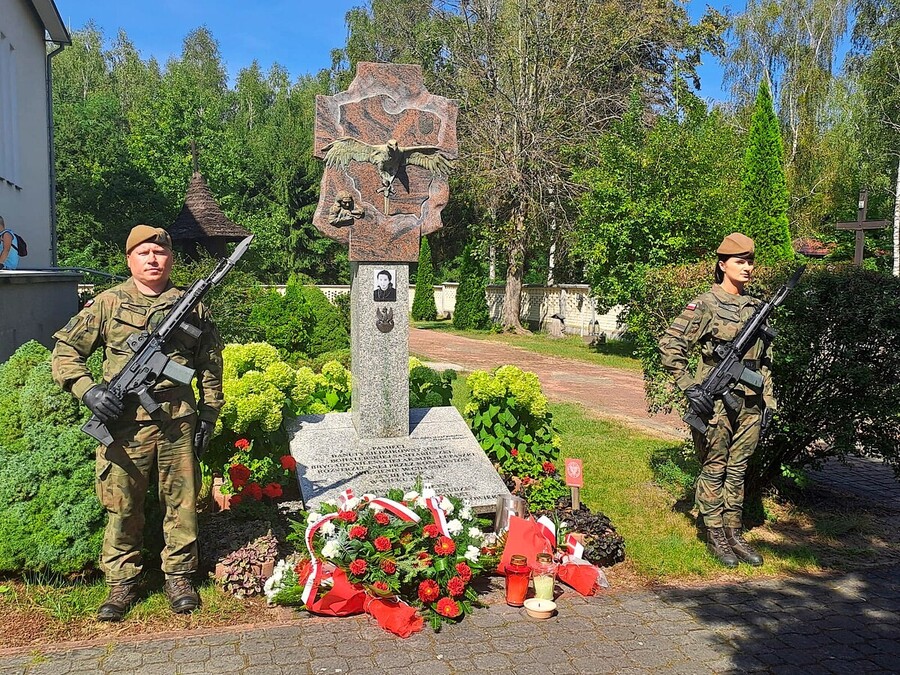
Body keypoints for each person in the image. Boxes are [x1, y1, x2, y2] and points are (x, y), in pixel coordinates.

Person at [51, 225, 224, 621]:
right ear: (129, 259)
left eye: (160, 252)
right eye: (144, 252)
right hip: (124, 425)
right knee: (123, 505)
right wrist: (87, 390)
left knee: (182, 505)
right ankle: (121, 583)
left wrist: (209, 414)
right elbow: (65, 350)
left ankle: (179, 577)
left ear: (171, 259)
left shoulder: (190, 304)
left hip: (178, 422)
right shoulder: (108, 303)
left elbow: (210, 363)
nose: (153, 259)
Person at [659, 233, 774, 568]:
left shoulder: (756, 307)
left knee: (738, 469)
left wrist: (769, 401)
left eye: (751, 261)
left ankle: (734, 532)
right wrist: (689, 386)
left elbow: (765, 362)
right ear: (723, 265)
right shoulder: (705, 304)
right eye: (740, 261)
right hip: (718, 401)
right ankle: (714, 534)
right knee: (715, 466)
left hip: (751, 401)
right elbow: (671, 344)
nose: (748, 267)